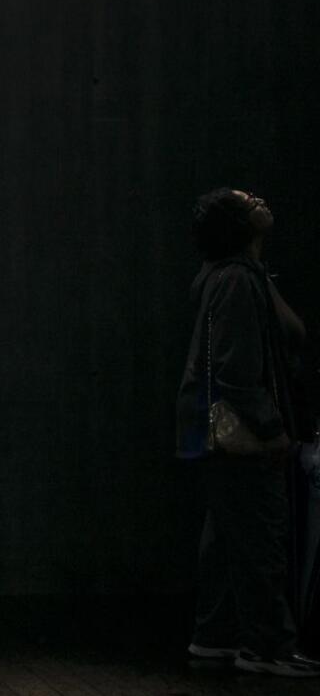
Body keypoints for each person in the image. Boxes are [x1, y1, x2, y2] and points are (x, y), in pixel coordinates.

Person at [176, 188, 320, 677]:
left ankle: (214, 636)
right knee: (261, 536)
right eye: (247, 201)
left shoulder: (234, 275)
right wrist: (272, 429)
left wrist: (257, 268)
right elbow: (237, 370)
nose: (260, 199)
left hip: (213, 435)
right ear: (238, 224)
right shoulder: (236, 279)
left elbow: (290, 330)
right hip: (242, 436)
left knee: (227, 536)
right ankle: (268, 647)